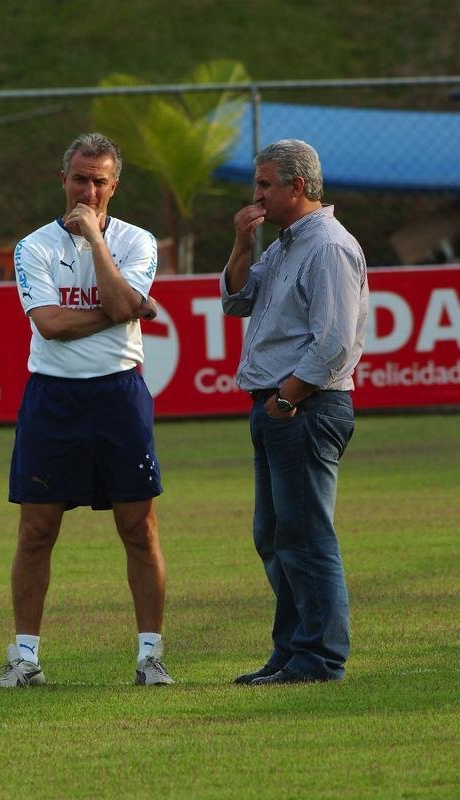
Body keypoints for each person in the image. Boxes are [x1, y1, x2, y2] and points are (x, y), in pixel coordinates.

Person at [0, 132, 174, 688]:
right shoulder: (33, 246)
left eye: (99, 180)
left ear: (114, 185)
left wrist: (96, 240)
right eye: (79, 177)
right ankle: (25, 658)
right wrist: (126, 309)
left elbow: (112, 304)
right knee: (36, 530)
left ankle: (150, 657)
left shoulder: (139, 242)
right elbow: (49, 325)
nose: (88, 189)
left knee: (138, 528)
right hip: (54, 396)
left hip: (119, 394)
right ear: (63, 180)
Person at [221, 139, 369, 685]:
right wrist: (241, 243)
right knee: (276, 534)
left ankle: (320, 656)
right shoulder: (283, 244)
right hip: (279, 407)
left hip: (305, 407)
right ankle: (291, 652)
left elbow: (332, 343)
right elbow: (237, 301)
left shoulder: (327, 246)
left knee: (305, 535)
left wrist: (285, 400)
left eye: (264, 184)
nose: (255, 195)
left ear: (296, 187)